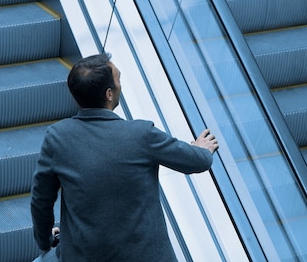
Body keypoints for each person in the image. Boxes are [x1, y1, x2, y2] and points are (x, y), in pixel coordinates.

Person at [31, 53, 219, 262]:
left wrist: (46, 241)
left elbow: (41, 201)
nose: (121, 84)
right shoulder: (142, 134)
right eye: (118, 79)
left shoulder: (57, 137)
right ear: (109, 94)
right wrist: (201, 148)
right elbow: (198, 162)